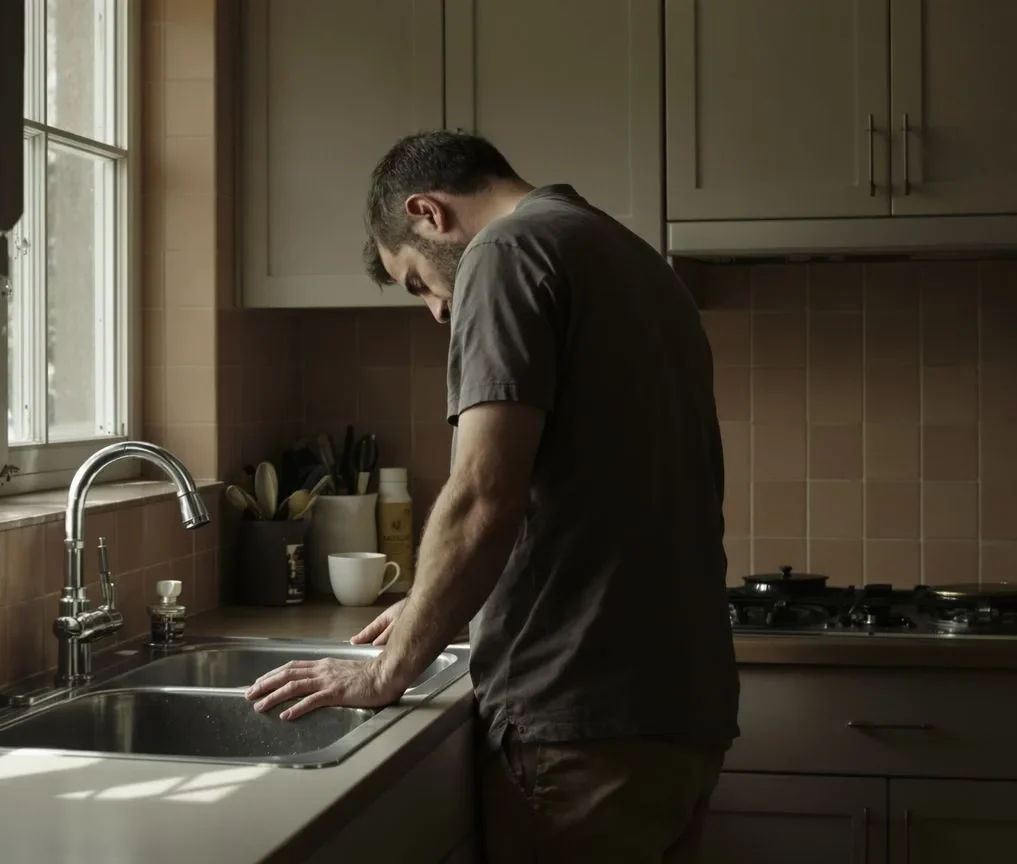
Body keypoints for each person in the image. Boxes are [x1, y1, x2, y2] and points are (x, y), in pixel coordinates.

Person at [246, 131, 740, 862]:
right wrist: (423, 606)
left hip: (580, 716)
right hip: (683, 703)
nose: (436, 312)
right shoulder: (634, 258)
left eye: (416, 281)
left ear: (427, 212)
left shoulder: (505, 254)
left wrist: (388, 671)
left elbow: (484, 495)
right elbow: (583, 490)